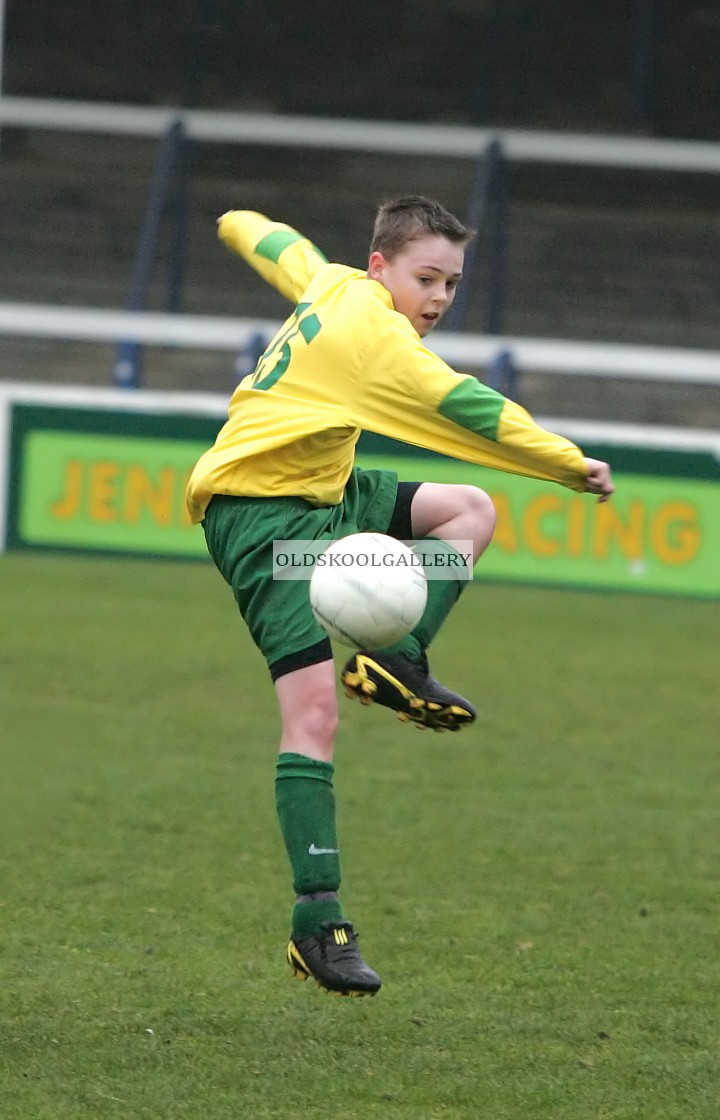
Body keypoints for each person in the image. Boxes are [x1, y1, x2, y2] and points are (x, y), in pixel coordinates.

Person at [186, 196, 614, 998]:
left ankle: (397, 658)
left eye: (451, 282)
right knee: (312, 716)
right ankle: (320, 924)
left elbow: (289, 252)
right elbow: (472, 411)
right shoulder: (374, 335)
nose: (440, 299)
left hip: (324, 492)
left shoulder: (338, 285)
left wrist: (237, 218)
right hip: (256, 515)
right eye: (427, 278)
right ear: (383, 268)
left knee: (469, 512)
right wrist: (567, 463)